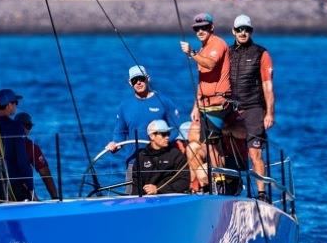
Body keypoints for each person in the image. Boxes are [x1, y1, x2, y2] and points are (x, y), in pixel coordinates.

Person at [179, 12, 231, 183]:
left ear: (211, 28)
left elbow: (210, 64)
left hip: (218, 103)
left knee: (211, 143)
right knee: (202, 143)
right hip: (205, 105)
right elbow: (202, 82)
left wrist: (191, 53)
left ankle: (220, 179)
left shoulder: (218, 44)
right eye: (197, 29)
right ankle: (200, 184)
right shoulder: (203, 49)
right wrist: (196, 106)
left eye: (204, 28)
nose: (200, 31)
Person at [228, 14, 275, 198]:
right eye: (239, 29)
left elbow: (267, 85)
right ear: (233, 31)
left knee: (255, 153)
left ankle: (262, 193)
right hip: (231, 109)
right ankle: (223, 188)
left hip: (254, 107)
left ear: (251, 31)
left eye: (246, 29)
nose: (243, 33)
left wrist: (269, 113)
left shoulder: (261, 53)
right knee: (220, 143)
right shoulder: (228, 53)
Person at [107, 65, 183, 153]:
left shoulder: (164, 101)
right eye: (134, 80)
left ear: (148, 78)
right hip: (135, 160)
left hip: (162, 157)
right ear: (130, 83)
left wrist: (163, 143)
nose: (138, 83)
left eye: (141, 78)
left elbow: (176, 129)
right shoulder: (124, 106)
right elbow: (120, 133)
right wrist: (115, 144)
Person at [0, 88, 34, 201]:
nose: (16, 106)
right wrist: (30, 186)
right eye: (15, 103)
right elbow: (22, 159)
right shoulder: (15, 127)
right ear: (9, 105)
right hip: (13, 186)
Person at [131, 120, 190, 196]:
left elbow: (184, 181)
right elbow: (137, 185)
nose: (167, 137)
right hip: (148, 201)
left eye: (168, 134)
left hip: (171, 199)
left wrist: (158, 189)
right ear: (152, 136)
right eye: (163, 134)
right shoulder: (141, 157)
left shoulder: (176, 155)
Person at [14, 112, 59, 200]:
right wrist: (55, 197)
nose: (26, 129)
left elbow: (45, 172)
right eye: (25, 126)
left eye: (29, 126)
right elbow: (45, 173)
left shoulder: (32, 147)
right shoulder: (31, 147)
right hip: (19, 192)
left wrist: (55, 197)